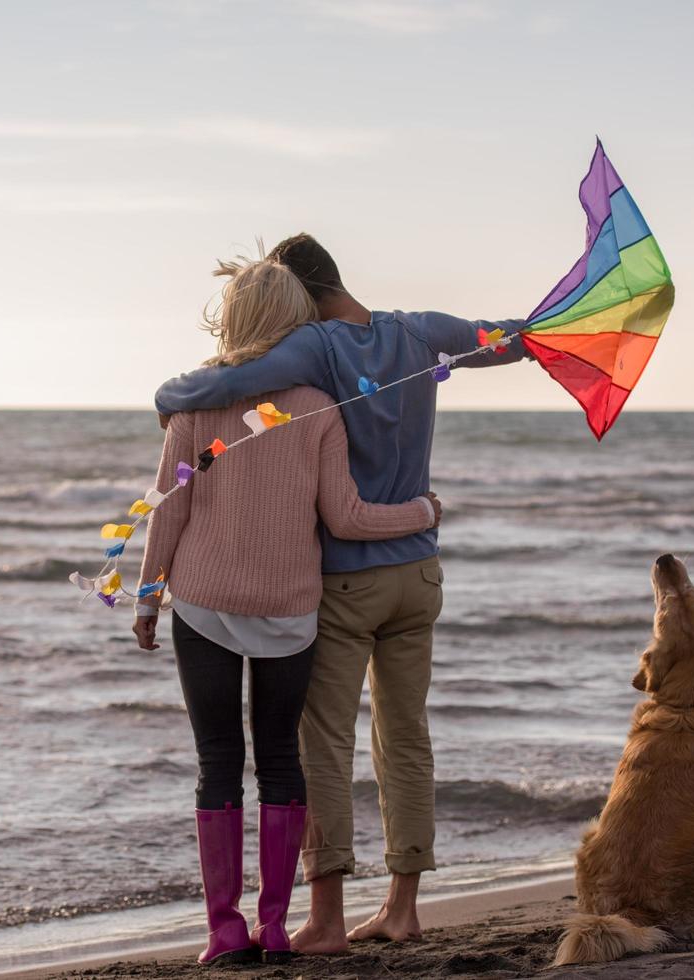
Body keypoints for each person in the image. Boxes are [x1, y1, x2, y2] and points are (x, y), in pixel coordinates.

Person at [153, 233, 534, 953]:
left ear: (294, 294)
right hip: (418, 575)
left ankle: (324, 920)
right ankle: (403, 907)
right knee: (406, 740)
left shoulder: (311, 349)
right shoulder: (422, 332)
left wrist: (166, 398)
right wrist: (566, 324)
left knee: (320, 748)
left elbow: (215, 388)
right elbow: (506, 339)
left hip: (349, 578)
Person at [133, 256, 441, 966]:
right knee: (281, 761)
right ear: (297, 322)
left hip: (204, 607)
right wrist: (423, 512)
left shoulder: (190, 408)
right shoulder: (316, 410)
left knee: (218, 763)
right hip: (293, 614)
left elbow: (166, 512)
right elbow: (347, 517)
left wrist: (149, 598)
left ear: (233, 319)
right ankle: (274, 927)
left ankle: (224, 931)